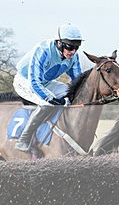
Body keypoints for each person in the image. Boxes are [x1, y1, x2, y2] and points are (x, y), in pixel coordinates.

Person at [12, 24, 84, 152]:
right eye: (70, 47)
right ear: (59, 43)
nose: (73, 51)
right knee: (47, 103)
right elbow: (34, 82)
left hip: (46, 82)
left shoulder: (73, 57)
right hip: (25, 81)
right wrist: (50, 98)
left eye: (76, 47)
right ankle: (23, 139)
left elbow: (77, 82)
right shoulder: (43, 50)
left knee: (70, 94)